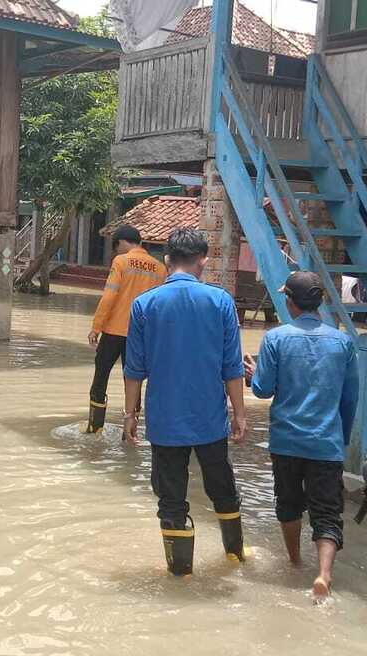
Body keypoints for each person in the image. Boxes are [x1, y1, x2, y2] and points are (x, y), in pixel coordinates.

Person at [122, 228, 247, 576]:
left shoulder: (144, 304)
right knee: (223, 488)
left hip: (164, 422)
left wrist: (129, 414)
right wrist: (239, 413)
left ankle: (181, 574)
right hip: (210, 420)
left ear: (166, 260)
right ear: (202, 261)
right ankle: (236, 556)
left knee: (171, 499)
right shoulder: (221, 301)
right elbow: (232, 367)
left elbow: (135, 370)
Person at [242, 271, 358, 602]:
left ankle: (294, 561)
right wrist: (341, 439)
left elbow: (263, 390)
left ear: (291, 302)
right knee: (327, 512)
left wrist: (253, 374)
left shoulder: (276, 339)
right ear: (319, 303)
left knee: (288, 503)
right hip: (326, 443)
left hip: (287, 441)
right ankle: (323, 574)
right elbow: (349, 399)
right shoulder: (343, 342)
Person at [86, 225, 166, 433]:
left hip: (114, 331)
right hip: (141, 335)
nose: (116, 252)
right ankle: (130, 432)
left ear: (121, 242)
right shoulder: (159, 268)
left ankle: (95, 427)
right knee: (134, 379)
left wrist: (96, 327)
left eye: (116, 247)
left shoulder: (121, 261)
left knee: (101, 375)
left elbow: (109, 296)